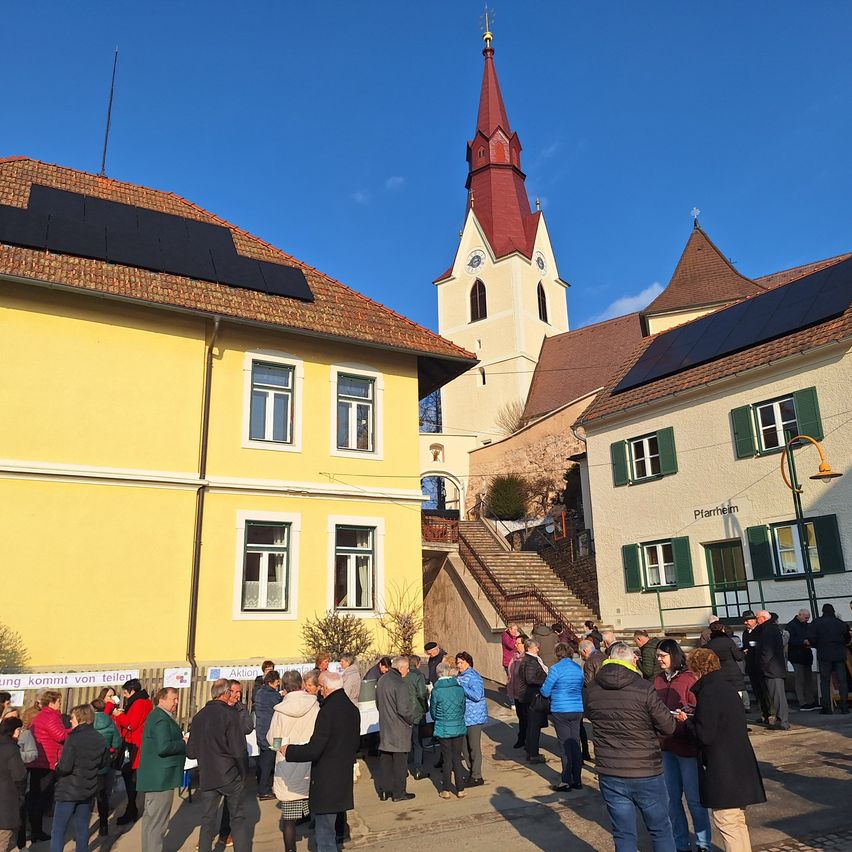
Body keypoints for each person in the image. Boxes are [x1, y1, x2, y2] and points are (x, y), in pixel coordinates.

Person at [584, 642, 677, 852]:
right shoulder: (643, 687)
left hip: (610, 770)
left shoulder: (592, 689)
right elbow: (668, 726)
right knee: (660, 830)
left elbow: (590, 715)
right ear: (632, 660)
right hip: (646, 769)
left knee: (623, 833)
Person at [675, 649, 766, 852]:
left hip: (724, 768)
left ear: (695, 668)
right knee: (737, 822)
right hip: (740, 764)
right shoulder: (726, 687)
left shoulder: (708, 692)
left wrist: (686, 723)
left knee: (727, 821)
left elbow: (704, 734)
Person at [282, 672, 360, 852]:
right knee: (332, 830)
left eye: (321, 688)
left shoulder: (328, 711)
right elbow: (355, 743)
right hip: (342, 775)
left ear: (325, 688)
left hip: (327, 779)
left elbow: (315, 748)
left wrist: (290, 751)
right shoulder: (351, 708)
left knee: (325, 835)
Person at [653, 639, 712, 852]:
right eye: (658, 656)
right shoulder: (657, 680)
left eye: (663, 656)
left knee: (695, 800)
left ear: (674, 656)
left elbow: (698, 708)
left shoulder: (688, 678)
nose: (659, 659)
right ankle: (680, 843)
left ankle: (704, 844)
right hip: (666, 746)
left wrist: (685, 716)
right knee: (671, 799)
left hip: (686, 746)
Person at [186, 679, 249, 852]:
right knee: (238, 819)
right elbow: (239, 749)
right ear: (226, 693)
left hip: (207, 774)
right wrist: (244, 773)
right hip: (229, 773)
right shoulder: (230, 714)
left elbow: (190, 752)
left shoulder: (198, 717)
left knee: (207, 821)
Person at [269, 671, 320, 852]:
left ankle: (290, 850)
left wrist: (281, 747)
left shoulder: (281, 711)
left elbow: (273, 738)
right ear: (301, 684)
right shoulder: (314, 706)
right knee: (318, 810)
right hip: (310, 761)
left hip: (287, 762)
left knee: (289, 819)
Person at [51, 704, 109, 852]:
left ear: (79, 718)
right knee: (82, 829)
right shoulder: (100, 739)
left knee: (58, 831)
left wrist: (57, 766)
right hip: (87, 789)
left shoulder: (73, 738)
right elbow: (104, 763)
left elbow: (65, 767)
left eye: (72, 718)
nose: (70, 721)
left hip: (68, 790)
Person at [136, 688, 185, 852]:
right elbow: (163, 747)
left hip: (157, 777)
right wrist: (183, 742)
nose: (176, 702)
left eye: (177, 699)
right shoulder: (160, 718)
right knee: (157, 823)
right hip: (160, 778)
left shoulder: (158, 716)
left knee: (151, 822)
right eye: (174, 699)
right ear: (162, 700)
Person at [540, 642, 584, 792]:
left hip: (561, 709)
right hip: (577, 708)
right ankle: (577, 779)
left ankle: (566, 780)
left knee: (565, 745)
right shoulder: (578, 668)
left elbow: (545, 692)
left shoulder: (556, 669)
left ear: (557, 655)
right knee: (575, 743)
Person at [27, 689, 68, 842]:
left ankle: (34, 828)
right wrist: (74, 729)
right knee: (41, 797)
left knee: (35, 794)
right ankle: (37, 830)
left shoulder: (41, 716)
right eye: (58, 702)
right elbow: (60, 735)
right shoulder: (51, 716)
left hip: (38, 760)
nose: (60, 704)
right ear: (51, 703)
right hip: (47, 761)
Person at [114, 678, 153, 825]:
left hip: (134, 744)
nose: (124, 696)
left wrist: (119, 716)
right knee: (130, 777)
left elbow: (132, 724)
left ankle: (131, 809)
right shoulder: (144, 701)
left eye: (125, 692)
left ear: (132, 691)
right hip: (137, 743)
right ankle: (131, 808)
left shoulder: (139, 703)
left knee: (130, 778)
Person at [375, 656, 414, 802]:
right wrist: (411, 720)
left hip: (385, 726)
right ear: (401, 668)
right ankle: (399, 793)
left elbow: (378, 703)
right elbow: (404, 710)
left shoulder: (382, 680)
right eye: (407, 668)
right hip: (399, 728)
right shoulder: (400, 684)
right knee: (400, 763)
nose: (408, 671)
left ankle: (385, 791)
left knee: (386, 760)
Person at [429, 662, 467, 799]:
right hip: (458, 725)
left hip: (443, 726)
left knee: (447, 758)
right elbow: (463, 707)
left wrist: (438, 719)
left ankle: (446, 789)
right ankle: (460, 789)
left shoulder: (436, 691)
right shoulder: (459, 688)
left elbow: (433, 711)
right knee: (457, 758)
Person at [808, 603, 850, 714]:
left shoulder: (816, 623)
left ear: (822, 611)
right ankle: (844, 707)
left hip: (824, 655)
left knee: (825, 682)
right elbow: (847, 638)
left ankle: (827, 708)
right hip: (839, 655)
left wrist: (818, 645)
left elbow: (811, 638)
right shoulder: (840, 623)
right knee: (842, 682)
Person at [754, 610, 790, 730]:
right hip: (773, 668)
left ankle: (783, 721)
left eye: (757, 618)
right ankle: (781, 720)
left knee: (777, 696)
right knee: (776, 696)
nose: (756, 620)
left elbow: (767, 650)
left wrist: (762, 664)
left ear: (763, 618)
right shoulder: (770, 629)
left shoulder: (768, 630)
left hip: (772, 669)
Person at [91, 698, 122, 836]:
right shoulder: (110, 722)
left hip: (89, 763)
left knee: (86, 795)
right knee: (103, 795)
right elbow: (117, 742)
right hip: (104, 763)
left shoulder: (88, 722)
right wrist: (111, 750)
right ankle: (104, 824)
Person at [455, 652, 486, 787]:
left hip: (474, 717)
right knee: (464, 747)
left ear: (468, 663)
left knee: (474, 747)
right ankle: (471, 771)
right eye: (457, 663)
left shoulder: (474, 677)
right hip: (463, 716)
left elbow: (477, 695)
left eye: (461, 662)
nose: (459, 665)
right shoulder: (459, 677)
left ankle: (477, 776)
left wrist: (461, 687)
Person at [254, 670, 283, 800]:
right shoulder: (273, 696)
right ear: (272, 682)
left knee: (263, 760)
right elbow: (281, 706)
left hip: (261, 731)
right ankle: (264, 790)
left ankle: (262, 785)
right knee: (269, 761)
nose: (278, 684)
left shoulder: (260, 692)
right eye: (277, 682)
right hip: (272, 734)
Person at [518, 638, 548, 765]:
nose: (538, 649)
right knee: (534, 726)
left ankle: (530, 750)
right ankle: (533, 754)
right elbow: (530, 679)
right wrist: (545, 680)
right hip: (533, 697)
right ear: (530, 648)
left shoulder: (529, 660)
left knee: (532, 725)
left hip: (530, 696)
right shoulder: (530, 661)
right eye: (537, 647)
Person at [0, 717, 26, 852]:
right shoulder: (12, 749)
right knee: (4, 843)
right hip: (6, 805)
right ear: (14, 730)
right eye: (20, 730)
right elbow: (19, 775)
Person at [704, 621, 747, 703]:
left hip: (718, 672)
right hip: (732, 672)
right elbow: (738, 657)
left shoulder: (709, 645)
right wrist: (744, 653)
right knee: (738, 696)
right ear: (722, 629)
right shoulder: (728, 641)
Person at [741, 610, 772, 724]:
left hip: (760, 665)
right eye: (745, 620)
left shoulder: (760, 631)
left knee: (765, 692)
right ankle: (764, 714)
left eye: (748, 620)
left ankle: (770, 714)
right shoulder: (745, 633)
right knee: (757, 692)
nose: (746, 622)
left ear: (755, 620)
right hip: (751, 665)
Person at [786, 609, 819, 710]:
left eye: (808, 618)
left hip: (806, 655)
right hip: (797, 655)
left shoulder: (806, 625)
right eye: (806, 618)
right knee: (800, 680)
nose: (807, 620)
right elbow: (790, 641)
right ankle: (802, 702)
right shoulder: (791, 626)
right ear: (799, 615)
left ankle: (811, 701)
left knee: (808, 679)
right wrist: (803, 641)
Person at [405, 655, 429, 781]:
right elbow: (421, 694)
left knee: (405, 741)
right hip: (417, 712)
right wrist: (425, 707)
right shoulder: (419, 676)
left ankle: (404, 769)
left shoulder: (402, 675)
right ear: (418, 664)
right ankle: (418, 768)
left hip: (404, 712)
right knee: (418, 742)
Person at [505, 634, 527, 750]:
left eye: (518, 643)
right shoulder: (514, 657)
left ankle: (525, 739)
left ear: (524, 644)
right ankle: (522, 738)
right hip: (516, 693)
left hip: (524, 694)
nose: (515, 645)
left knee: (526, 718)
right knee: (521, 717)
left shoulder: (526, 659)